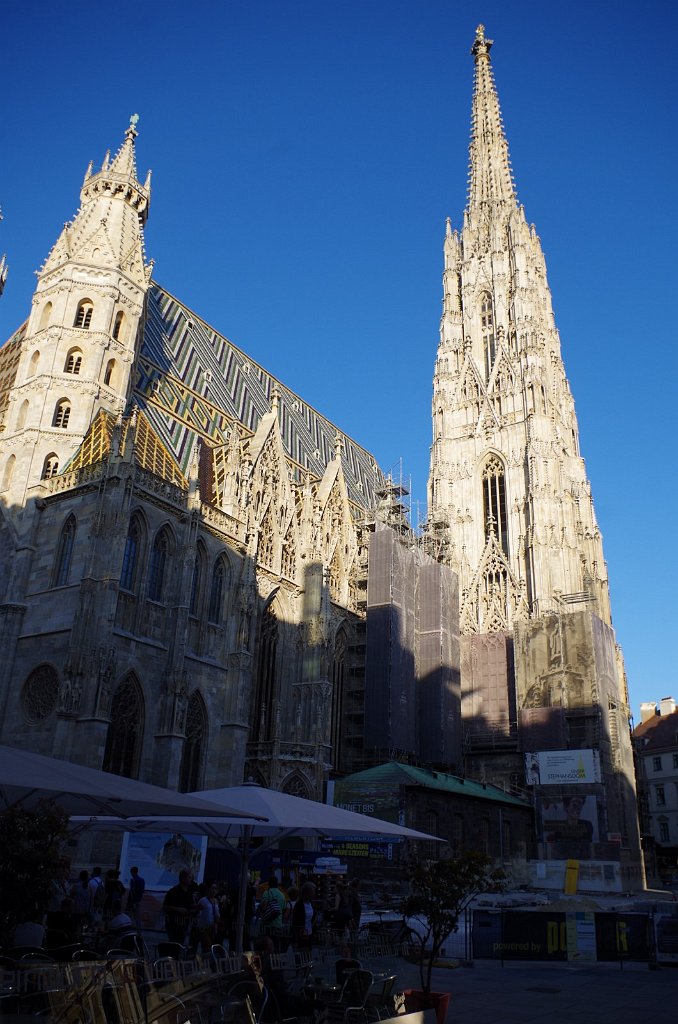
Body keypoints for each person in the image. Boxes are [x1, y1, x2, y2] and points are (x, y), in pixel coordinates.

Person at [163, 869, 196, 945]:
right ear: (183, 878)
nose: (191, 880)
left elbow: (189, 905)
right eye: (189, 877)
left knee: (181, 944)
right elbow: (165, 907)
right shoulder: (173, 891)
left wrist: (198, 906)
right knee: (174, 944)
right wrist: (178, 909)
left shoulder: (189, 892)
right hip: (173, 923)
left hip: (184, 924)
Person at [194, 882, 220, 953]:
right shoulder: (203, 900)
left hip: (212, 928)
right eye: (212, 888)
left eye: (215, 889)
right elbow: (197, 913)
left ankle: (207, 961)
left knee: (210, 947)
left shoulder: (216, 901)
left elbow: (217, 915)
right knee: (207, 946)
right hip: (203, 929)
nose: (214, 890)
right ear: (208, 890)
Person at [291, 881, 316, 949]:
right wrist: (295, 940)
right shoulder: (299, 905)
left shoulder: (311, 903)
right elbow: (295, 923)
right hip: (301, 935)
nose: (314, 893)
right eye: (313, 891)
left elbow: (313, 918)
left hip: (310, 934)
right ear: (308, 893)